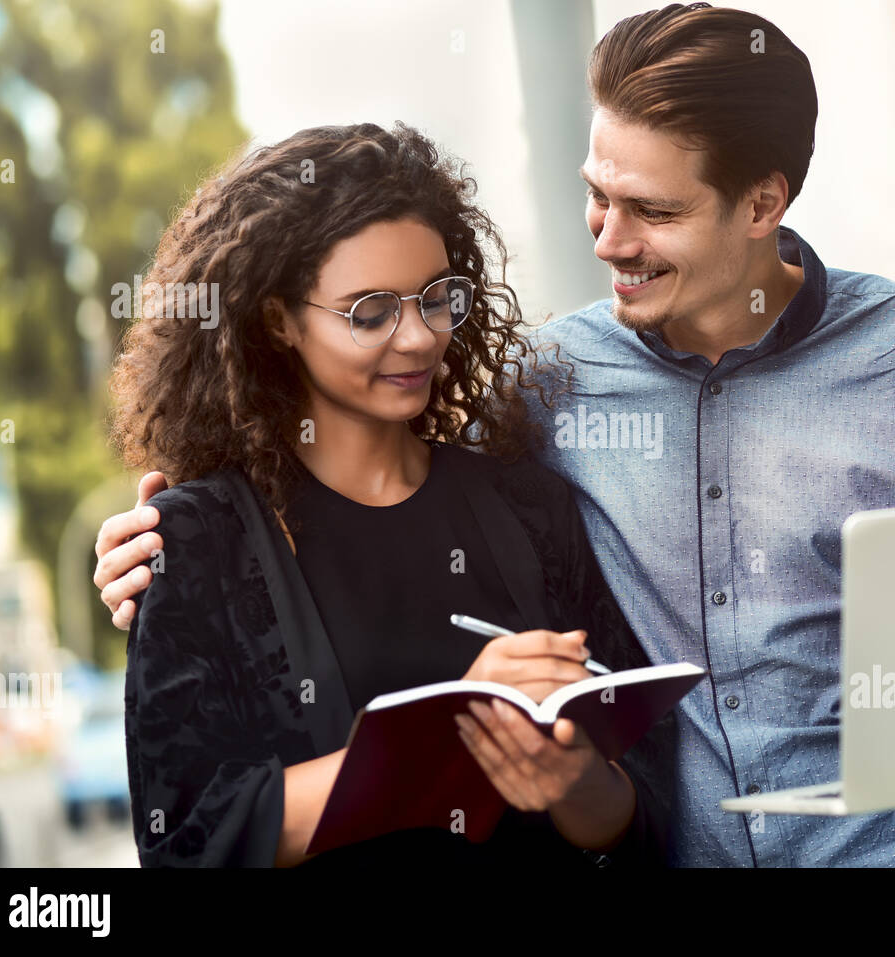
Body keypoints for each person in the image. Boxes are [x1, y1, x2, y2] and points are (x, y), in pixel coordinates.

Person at [97, 3, 895, 867]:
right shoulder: (547, 379)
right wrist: (155, 555)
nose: (607, 239)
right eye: (593, 195)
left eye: (648, 211)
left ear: (760, 203)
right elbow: (361, 482)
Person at [105, 121, 674, 867]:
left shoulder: (530, 507)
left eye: (437, 298)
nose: (417, 338)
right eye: (370, 312)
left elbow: (638, 816)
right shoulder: (194, 542)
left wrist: (573, 782)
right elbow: (186, 837)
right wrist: (448, 737)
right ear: (278, 319)